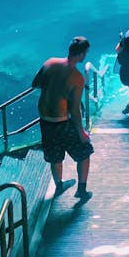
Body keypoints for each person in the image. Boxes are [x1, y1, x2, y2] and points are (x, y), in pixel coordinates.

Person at [32, 36, 94, 202]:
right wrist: (81, 133)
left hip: (45, 120)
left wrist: (53, 87)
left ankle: (59, 185)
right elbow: (74, 110)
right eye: (86, 53)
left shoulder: (50, 62)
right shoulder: (77, 77)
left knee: (55, 155)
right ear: (81, 54)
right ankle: (81, 190)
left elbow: (35, 83)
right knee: (84, 152)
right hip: (62, 123)